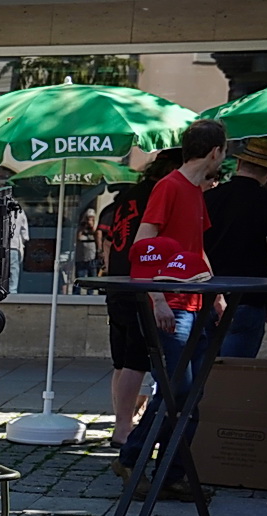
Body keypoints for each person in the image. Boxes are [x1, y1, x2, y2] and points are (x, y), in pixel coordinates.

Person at [118, 119, 228, 498]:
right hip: (175, 305)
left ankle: (172, 472)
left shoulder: (195, 191)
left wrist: (214, 292)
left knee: (188, 393)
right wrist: (159, 298)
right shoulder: (170, 187)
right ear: (215, 151)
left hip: (194, 303)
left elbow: (194, 248)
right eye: (224, 151)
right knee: (175, 391)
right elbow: (144, 242)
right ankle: (133, 458)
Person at [98, 151, 179, 445]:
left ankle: (121, 423)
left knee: (122, 362)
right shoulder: (157, 196)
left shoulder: (129, 195)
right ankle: (122, 429)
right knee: (135, 361)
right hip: (137, 284)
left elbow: (110, 239)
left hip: (118, 282)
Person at [204, 138, 267, 358]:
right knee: (233, 382)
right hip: (248, 301)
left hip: (204, 299)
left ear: (239, 164)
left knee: (197, 379)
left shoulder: (207, 198)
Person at [75, 207, 101, 288]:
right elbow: (78, 237)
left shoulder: (96, 226)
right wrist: (84, 226)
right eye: (88, 218)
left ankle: (91, 293)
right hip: (81, 255)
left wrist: (92, 227)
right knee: (80, 276)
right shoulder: (81, 226)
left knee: (92, 277)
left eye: (92, 218)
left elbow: (97, 236)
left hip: (92, 255)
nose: (90, 220)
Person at [5, 200, 28, 295]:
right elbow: (25, 233)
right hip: (14, 245)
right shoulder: (19, 211)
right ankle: (13, 292)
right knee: (13, 271)